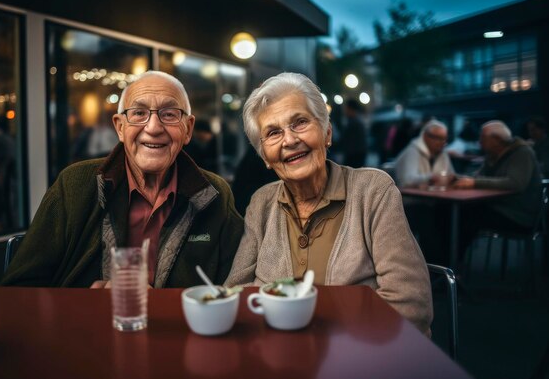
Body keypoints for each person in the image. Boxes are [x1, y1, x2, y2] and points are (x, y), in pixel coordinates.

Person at [224, 72, 433, 335]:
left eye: (299, 122)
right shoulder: (262, 202)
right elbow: (235, 293)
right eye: (274, 132)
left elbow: (412, 305)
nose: (289, 140)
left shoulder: (373, 192)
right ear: (264, 156)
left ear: (327, 133)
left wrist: (312, 332)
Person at [1, 71, 243, 288]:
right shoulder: (74, 184)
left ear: (188, 129)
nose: (154, 127)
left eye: (169, 114)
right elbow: (20, 286)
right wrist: (84, 303)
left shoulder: (215, 193)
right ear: (119, 127)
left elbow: (234, 286)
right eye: (139, 113)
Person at [453, 120, 542, 253]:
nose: (479, 141)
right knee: (454, 212)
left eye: (483, 137)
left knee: (465, 215)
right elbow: (476, 177)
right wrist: (456, 177)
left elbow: (516, 183)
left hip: (519, 215)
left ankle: (451, 263)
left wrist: (474, 182)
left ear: (497, 139)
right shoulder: (492, 155)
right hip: (498, 207)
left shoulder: (522, 152)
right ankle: (445, 261)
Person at [395, 120, 455, 188]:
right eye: (438, 138)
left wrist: (456, 180)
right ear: (425, 136)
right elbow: (407, 181)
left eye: (445, 139)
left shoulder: (442, 153)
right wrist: (430, 178)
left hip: (435, 195)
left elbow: (451, 176)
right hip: (411, 197)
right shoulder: (412, 152)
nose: (443, 142)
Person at [338, 98, 367, 168]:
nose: (344, 110)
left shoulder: (354, 123)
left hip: (353, 158)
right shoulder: (356, 121)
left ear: (350, 109)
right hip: (356, 156)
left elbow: (350, 142)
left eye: (346, 108)